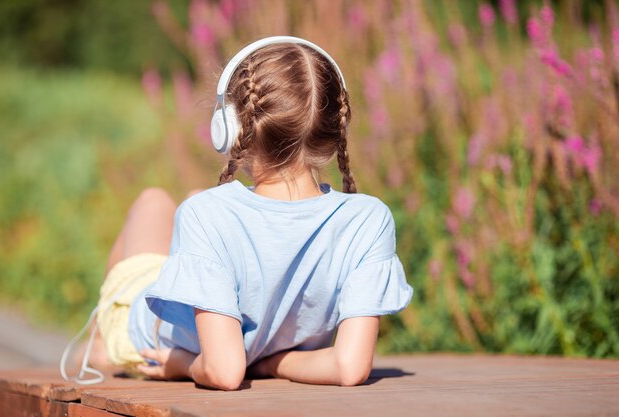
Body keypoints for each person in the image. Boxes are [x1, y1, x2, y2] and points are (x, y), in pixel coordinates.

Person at [77, 37, 413, 390]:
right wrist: (273, 364)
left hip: (149, 340)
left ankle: (101, 343)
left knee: (153, 202)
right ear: (335, 130)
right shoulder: (370, 219)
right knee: (193, 207)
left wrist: (183, 363)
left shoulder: (206, 214)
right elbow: (348, 367)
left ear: (232, 127)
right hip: (226, 287)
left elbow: (224, 371)